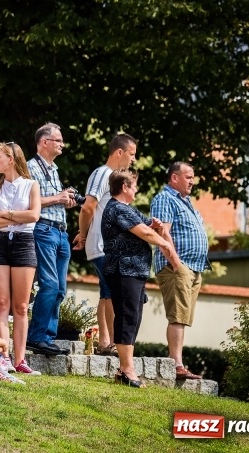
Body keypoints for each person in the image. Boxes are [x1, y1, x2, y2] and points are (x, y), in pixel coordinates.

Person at [101, 169, 177, 388]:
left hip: (134, 271)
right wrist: (164, 243)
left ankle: (125, 369)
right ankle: (127, 369)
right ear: (124, 187)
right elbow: (144, 232)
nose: (136, 190)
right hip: (123, 270)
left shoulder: (127, 209)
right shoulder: (116, 208)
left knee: (133, 317)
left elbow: (148, 226)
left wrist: (158, 227)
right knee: (127, 317)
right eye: (134, 186)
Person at [74, 133, 137, 357]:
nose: (133, 160)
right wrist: (83, 235)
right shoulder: (103, 174)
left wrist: (84, 234)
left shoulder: (110, 176)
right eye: (131, 154)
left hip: (105, 244)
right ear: (119, 152)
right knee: (112, 293)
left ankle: (104, 342)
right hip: (102, 245)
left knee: (105, 293)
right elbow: (88, 207)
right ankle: (113, 343)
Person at [0, 142, 42, 375]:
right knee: (2, 304)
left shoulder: (31, 185)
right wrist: (18, 217)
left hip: (24, 244)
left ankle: (20, 359)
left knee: (21, 305)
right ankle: (3, 357)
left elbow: (34, 215)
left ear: (12, 159)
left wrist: (5, 215)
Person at [150, 161, 209, 380]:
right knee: (177, 316)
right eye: (188, 177)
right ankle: (177, 365)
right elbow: (163, 233)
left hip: (194, 267)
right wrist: (177, 264)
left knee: (182, 317)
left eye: (193, 177)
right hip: (178, 266)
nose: (192, 181)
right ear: (174, 178)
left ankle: (179, 364)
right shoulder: (165, 198)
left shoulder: (187, 202)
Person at [26, 123, 77, 356]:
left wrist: (66, 199)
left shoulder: (53, 169)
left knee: (60, 289)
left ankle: (48, 337)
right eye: (58, 140)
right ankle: (37, 337)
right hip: (44, 230)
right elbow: (29, 200)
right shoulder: (30, 167)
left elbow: (54, 199)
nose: (62, 144)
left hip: (60, 231)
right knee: (49, 285)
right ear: (44, 142)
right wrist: (58, 197)